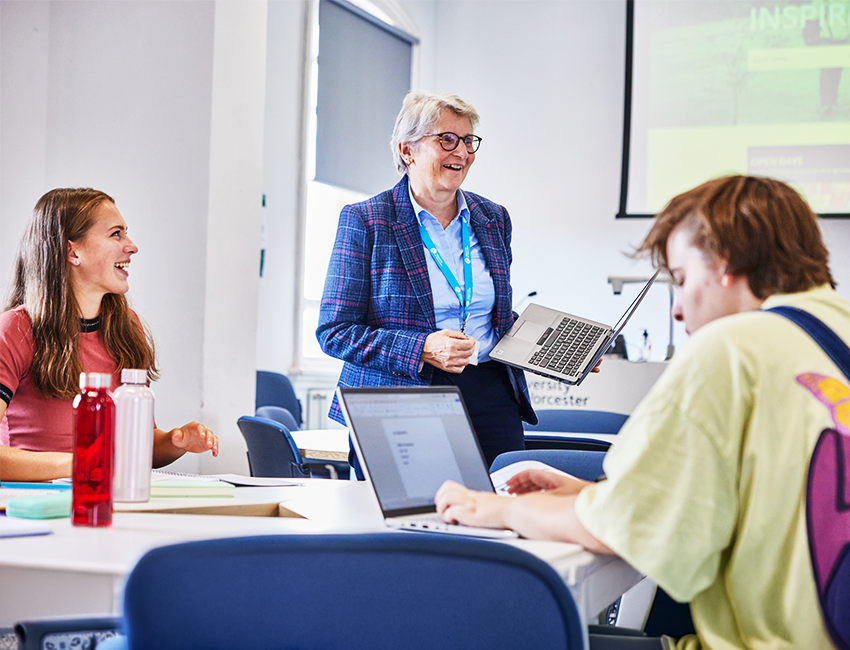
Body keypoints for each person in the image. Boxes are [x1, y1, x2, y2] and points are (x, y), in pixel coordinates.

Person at [436, 175, 842, 649]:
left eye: (682, 280)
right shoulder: (835, 332)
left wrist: (499, 507)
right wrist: (595, 494)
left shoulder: (730, 348)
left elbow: (626, 530)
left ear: (726, 262)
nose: (676, 310)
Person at [317, 90, 538, 470]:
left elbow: (494, 317)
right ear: (408, 151)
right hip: (402, 397)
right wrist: (421, 348)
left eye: (469, 141)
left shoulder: (493, 218)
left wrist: (555, 346)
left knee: (498, 520)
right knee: (414, 522)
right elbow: (334, 331)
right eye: (447, 139)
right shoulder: (368, 220)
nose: (462, 153)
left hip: (493, 397)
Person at [0, 188, 218, 482]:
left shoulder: (126, 326)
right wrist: (82, 463)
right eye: (116, 234)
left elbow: (136, 447)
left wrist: (175, 441)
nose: (132, 246)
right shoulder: (15, 329)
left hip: (110, 498)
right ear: (72, 251)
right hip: (35, 505)